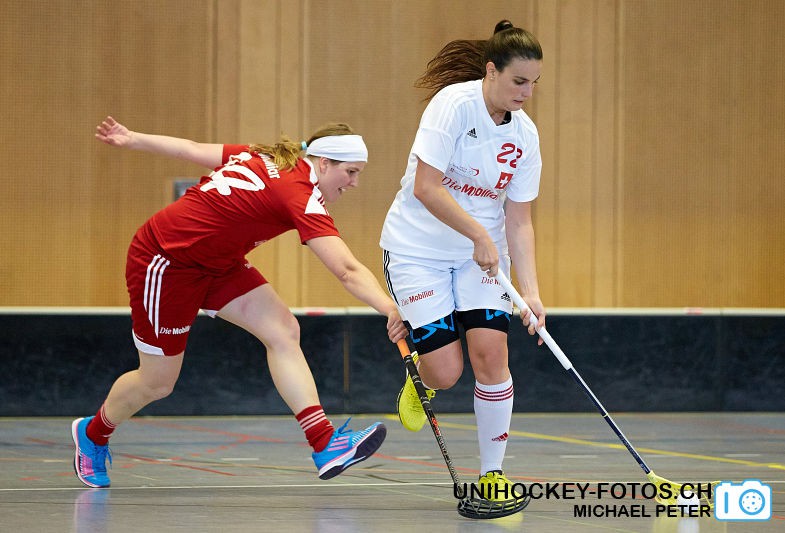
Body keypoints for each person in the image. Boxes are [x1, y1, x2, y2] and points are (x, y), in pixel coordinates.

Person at [72, 116, 407, 488]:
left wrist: (134, 138)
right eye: (351, 172)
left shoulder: (269, 156)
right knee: (157, 383)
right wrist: (389, 307)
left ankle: (325, 443)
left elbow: (193, 149)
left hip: (219, 264)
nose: (354, 183)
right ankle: (93, 434)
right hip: (166, 262)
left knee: (283, 331)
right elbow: (346, 269)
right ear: (323, 163)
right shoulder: (298, 194)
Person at [379, 20, 546, 504]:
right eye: (519, 81)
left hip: (483, 258)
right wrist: (476, 232)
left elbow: (520, 220)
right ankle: (420, 376)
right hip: (418, 251)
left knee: (493, 356)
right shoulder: (452, 105)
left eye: (534, 83)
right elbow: (426, 187)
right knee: (446, 373)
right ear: (491, 72)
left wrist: (531, 292)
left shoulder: (526, 136)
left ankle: (493, 473)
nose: (527, 93)